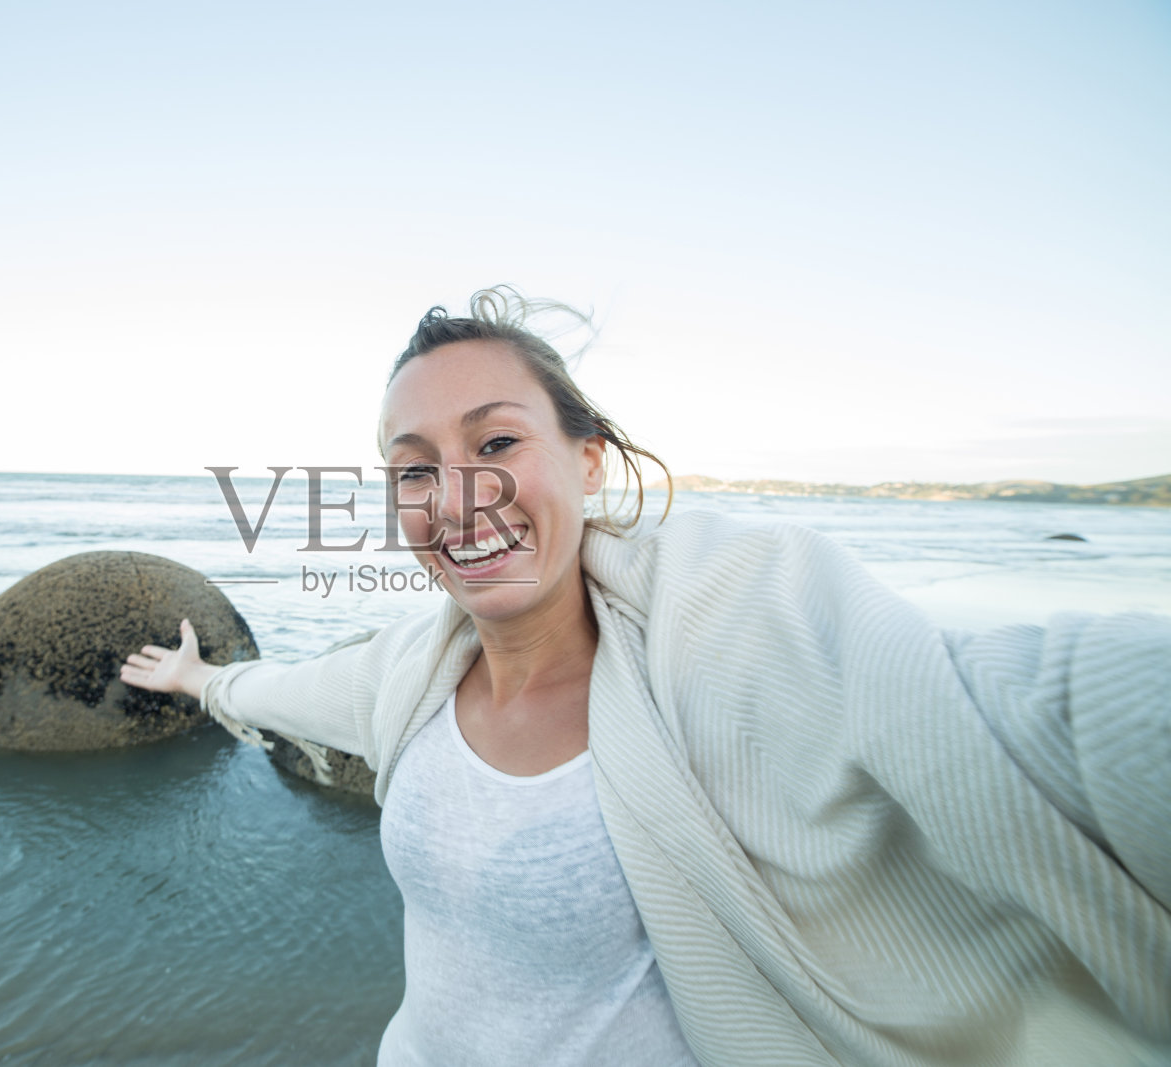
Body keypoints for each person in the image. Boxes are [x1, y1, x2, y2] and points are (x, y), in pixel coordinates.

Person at [120, 288, 1171, 1066]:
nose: (455, 495)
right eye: (413, 467)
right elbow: (289, 690)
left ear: (585, 462)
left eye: (494, 439)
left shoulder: (723, 648)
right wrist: (203, 680)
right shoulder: (407, 675)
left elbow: (1018, 707)